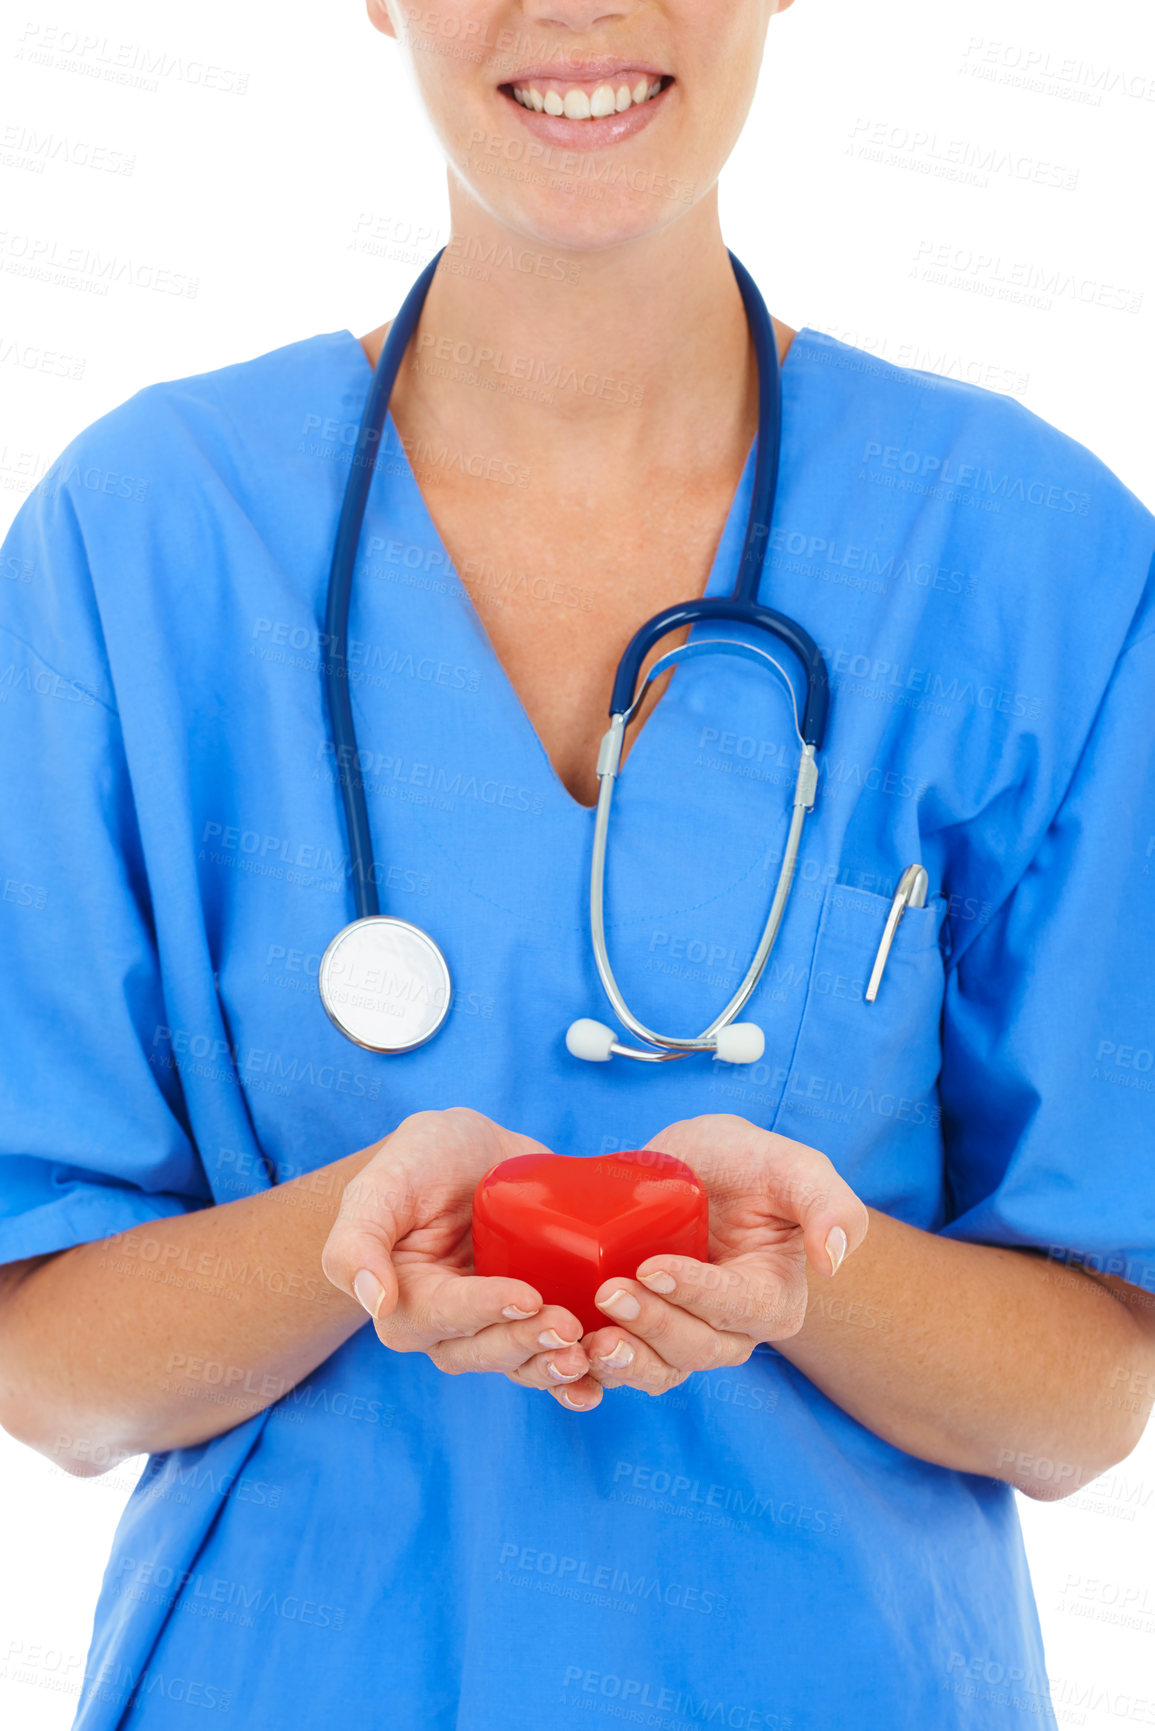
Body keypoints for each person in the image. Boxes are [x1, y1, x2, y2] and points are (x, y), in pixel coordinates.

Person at [1, 2, 1154, 1726]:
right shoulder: (142, 538)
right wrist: (349, 1235)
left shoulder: (1025, 556)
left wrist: (808, 1269)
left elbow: (1084, 1402)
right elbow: (52, 1371)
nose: (581, 9)